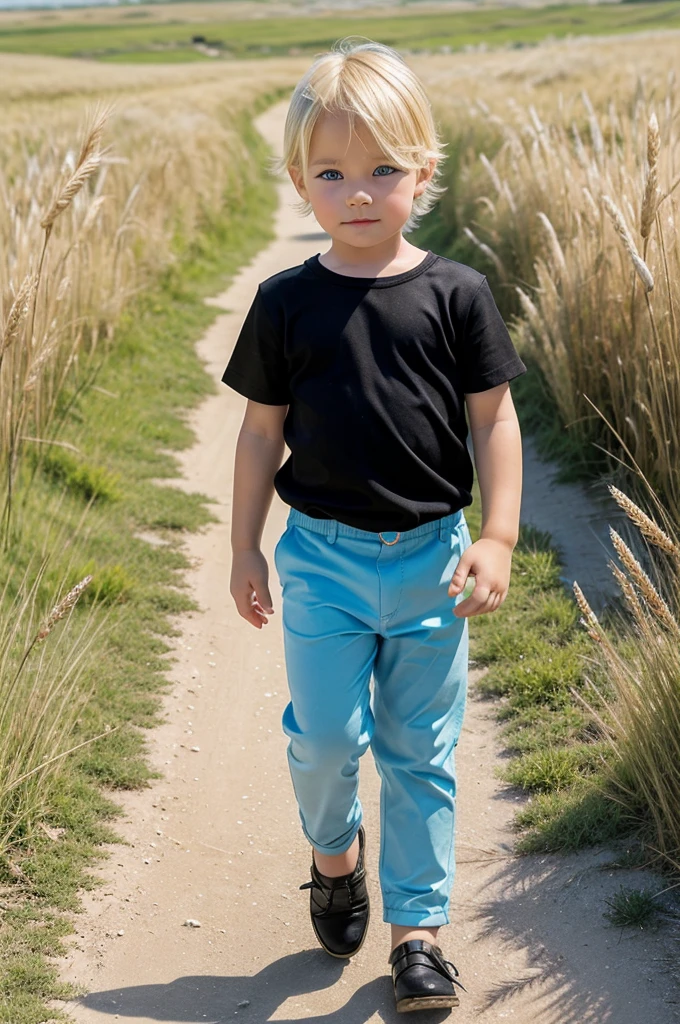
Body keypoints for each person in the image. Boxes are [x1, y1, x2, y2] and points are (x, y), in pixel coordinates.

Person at [222, 37, 526, 1015]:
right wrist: (243, 549)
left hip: (433, 559)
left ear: (422, 171)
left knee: (420, 750)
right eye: (332, 174)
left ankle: (418, 937)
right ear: (300, 183)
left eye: (382, 169)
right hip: (320, 562)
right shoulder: (284, 305)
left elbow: (492, 418)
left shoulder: (455, 295)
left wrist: (499, 536)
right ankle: (333, 854)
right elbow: (258, 435)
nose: (358, 192)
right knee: (322, 740)